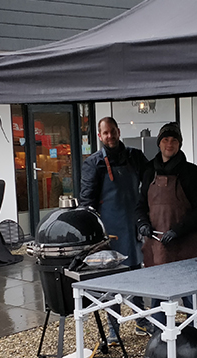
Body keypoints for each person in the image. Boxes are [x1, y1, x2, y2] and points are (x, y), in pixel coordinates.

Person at [136, 122, 197, 343]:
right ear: (159, 143)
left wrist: (178, 230)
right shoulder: (148, 170)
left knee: (193, 296)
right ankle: (159, 339)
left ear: (180, 144)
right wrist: (142, 223)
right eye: (166, 140)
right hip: (156, 245)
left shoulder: (193, 173)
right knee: (159, 295)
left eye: (174, 140)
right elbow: (140, 204)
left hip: (186, 245)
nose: (169, 144)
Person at [79, 117, 152, 340]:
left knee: (136, 273)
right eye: (105, 133)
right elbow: (86, 202)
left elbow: (150, 183)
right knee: (112, 279)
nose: (110, 136)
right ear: (100, 136)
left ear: (118, 132)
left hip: (133, 225)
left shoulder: (135, 156)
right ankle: (113, 331)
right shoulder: (94, 163)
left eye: (113, 131)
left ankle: (141, 320)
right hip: (108, 231)